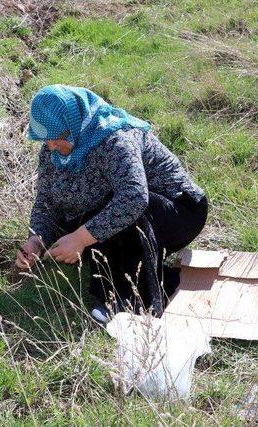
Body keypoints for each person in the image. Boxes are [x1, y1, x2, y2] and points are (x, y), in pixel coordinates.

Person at [15, 84, 208, 323]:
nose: (52, 146)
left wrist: (80, 238)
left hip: (178, 212)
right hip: (133, 205)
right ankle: (139, 276)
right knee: (88, 223)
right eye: (46, 140)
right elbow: (47, 201)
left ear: (75, 124)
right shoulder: (52, 150)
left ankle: (130, 300)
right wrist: (36, 240)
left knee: (120, 215)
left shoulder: (115, 139)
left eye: (58, 138)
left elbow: (134, 197)